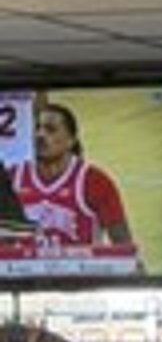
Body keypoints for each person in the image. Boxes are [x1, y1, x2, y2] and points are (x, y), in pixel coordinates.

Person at [11, 102, 136, 254]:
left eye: (50, 129)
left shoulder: (95, 182)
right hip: (26, 275)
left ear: (71, 140)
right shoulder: (11, 178)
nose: (40, 135)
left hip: (81, 276)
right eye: (37, 128)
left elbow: (124, 246)